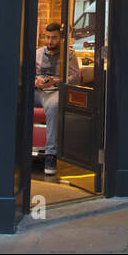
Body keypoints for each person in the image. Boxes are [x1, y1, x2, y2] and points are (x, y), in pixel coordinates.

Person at [35, 22, 80, 176]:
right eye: (47, 37)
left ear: (60, 38)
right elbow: (29, 72)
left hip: (55, 91)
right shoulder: (38, 53)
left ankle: (51, 154)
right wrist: (36, 81)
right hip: (37, 90)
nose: (49, 41)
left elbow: (75, 77)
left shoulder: (69, 54)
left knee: (53, 107)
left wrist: (57, 81)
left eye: (53, 38)